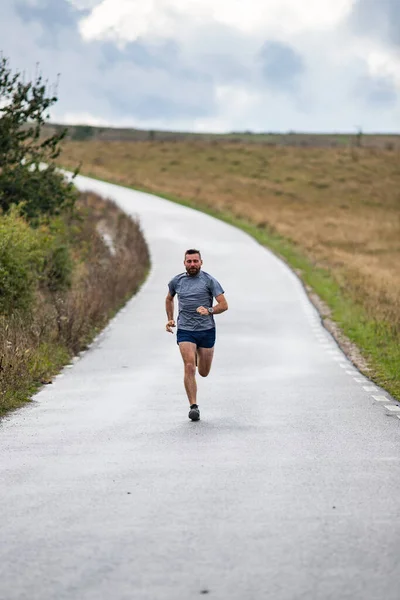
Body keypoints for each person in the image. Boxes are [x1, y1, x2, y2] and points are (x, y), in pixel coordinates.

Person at [165, 249, 228, 421]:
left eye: (195, 261)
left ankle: (198, 357)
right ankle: (193, 406)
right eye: (189, 261)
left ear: (201, 262)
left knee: (204, 372)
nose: (192, 265)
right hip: (186, 330)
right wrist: (170, 319)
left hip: (206, 330)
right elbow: (169, 299)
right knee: (189, 366)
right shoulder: (176, 281)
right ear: (184, 263)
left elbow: (223, 305)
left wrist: (209, 310)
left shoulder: (209, 280)